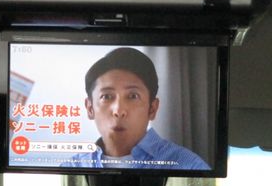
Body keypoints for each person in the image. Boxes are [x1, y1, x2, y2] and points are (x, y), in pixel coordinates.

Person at [63, 47, 210, 170]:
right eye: (106, 96)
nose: (118, 111)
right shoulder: (71, 167)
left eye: (133, 96)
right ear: (90, 108)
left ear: (152, 108)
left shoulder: (190, 166)